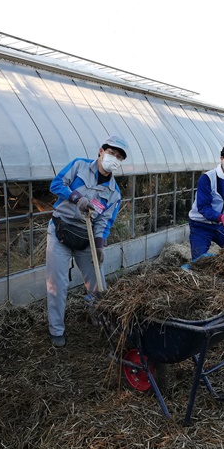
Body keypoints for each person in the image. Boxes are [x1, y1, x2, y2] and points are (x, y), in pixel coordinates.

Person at [46, 135, 127, 347]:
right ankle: (56, 330)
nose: (114, 158)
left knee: (98, 283)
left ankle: (100, 319)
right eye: (111, 153)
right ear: (101, 151)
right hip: (61, 229)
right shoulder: (79, 166)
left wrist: (99, 245)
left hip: (86, 236)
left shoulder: (114, 193)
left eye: (119, 157)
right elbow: (56, 185)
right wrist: (76, 198)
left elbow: (103, 222)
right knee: (57, 283)